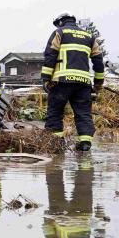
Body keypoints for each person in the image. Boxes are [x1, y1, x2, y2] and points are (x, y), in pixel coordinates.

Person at [41, 12, 106, 151]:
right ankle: (85, 143)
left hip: (61, 82)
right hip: (83, 84)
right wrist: (98, 83)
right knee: (83, 114)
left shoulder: (59, 32)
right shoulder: (90, 36)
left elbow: (50, 56)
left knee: (55, 112)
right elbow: (98, 62)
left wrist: (46, 79)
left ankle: (56, 144)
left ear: (60, 22)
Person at [43, 161, 105, 238]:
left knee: (85, 186)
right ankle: (53, 159)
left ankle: (85, 161)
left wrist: (100, 216)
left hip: (83, 215)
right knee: (55, 185)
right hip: (62, 218)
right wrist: (47, 223)